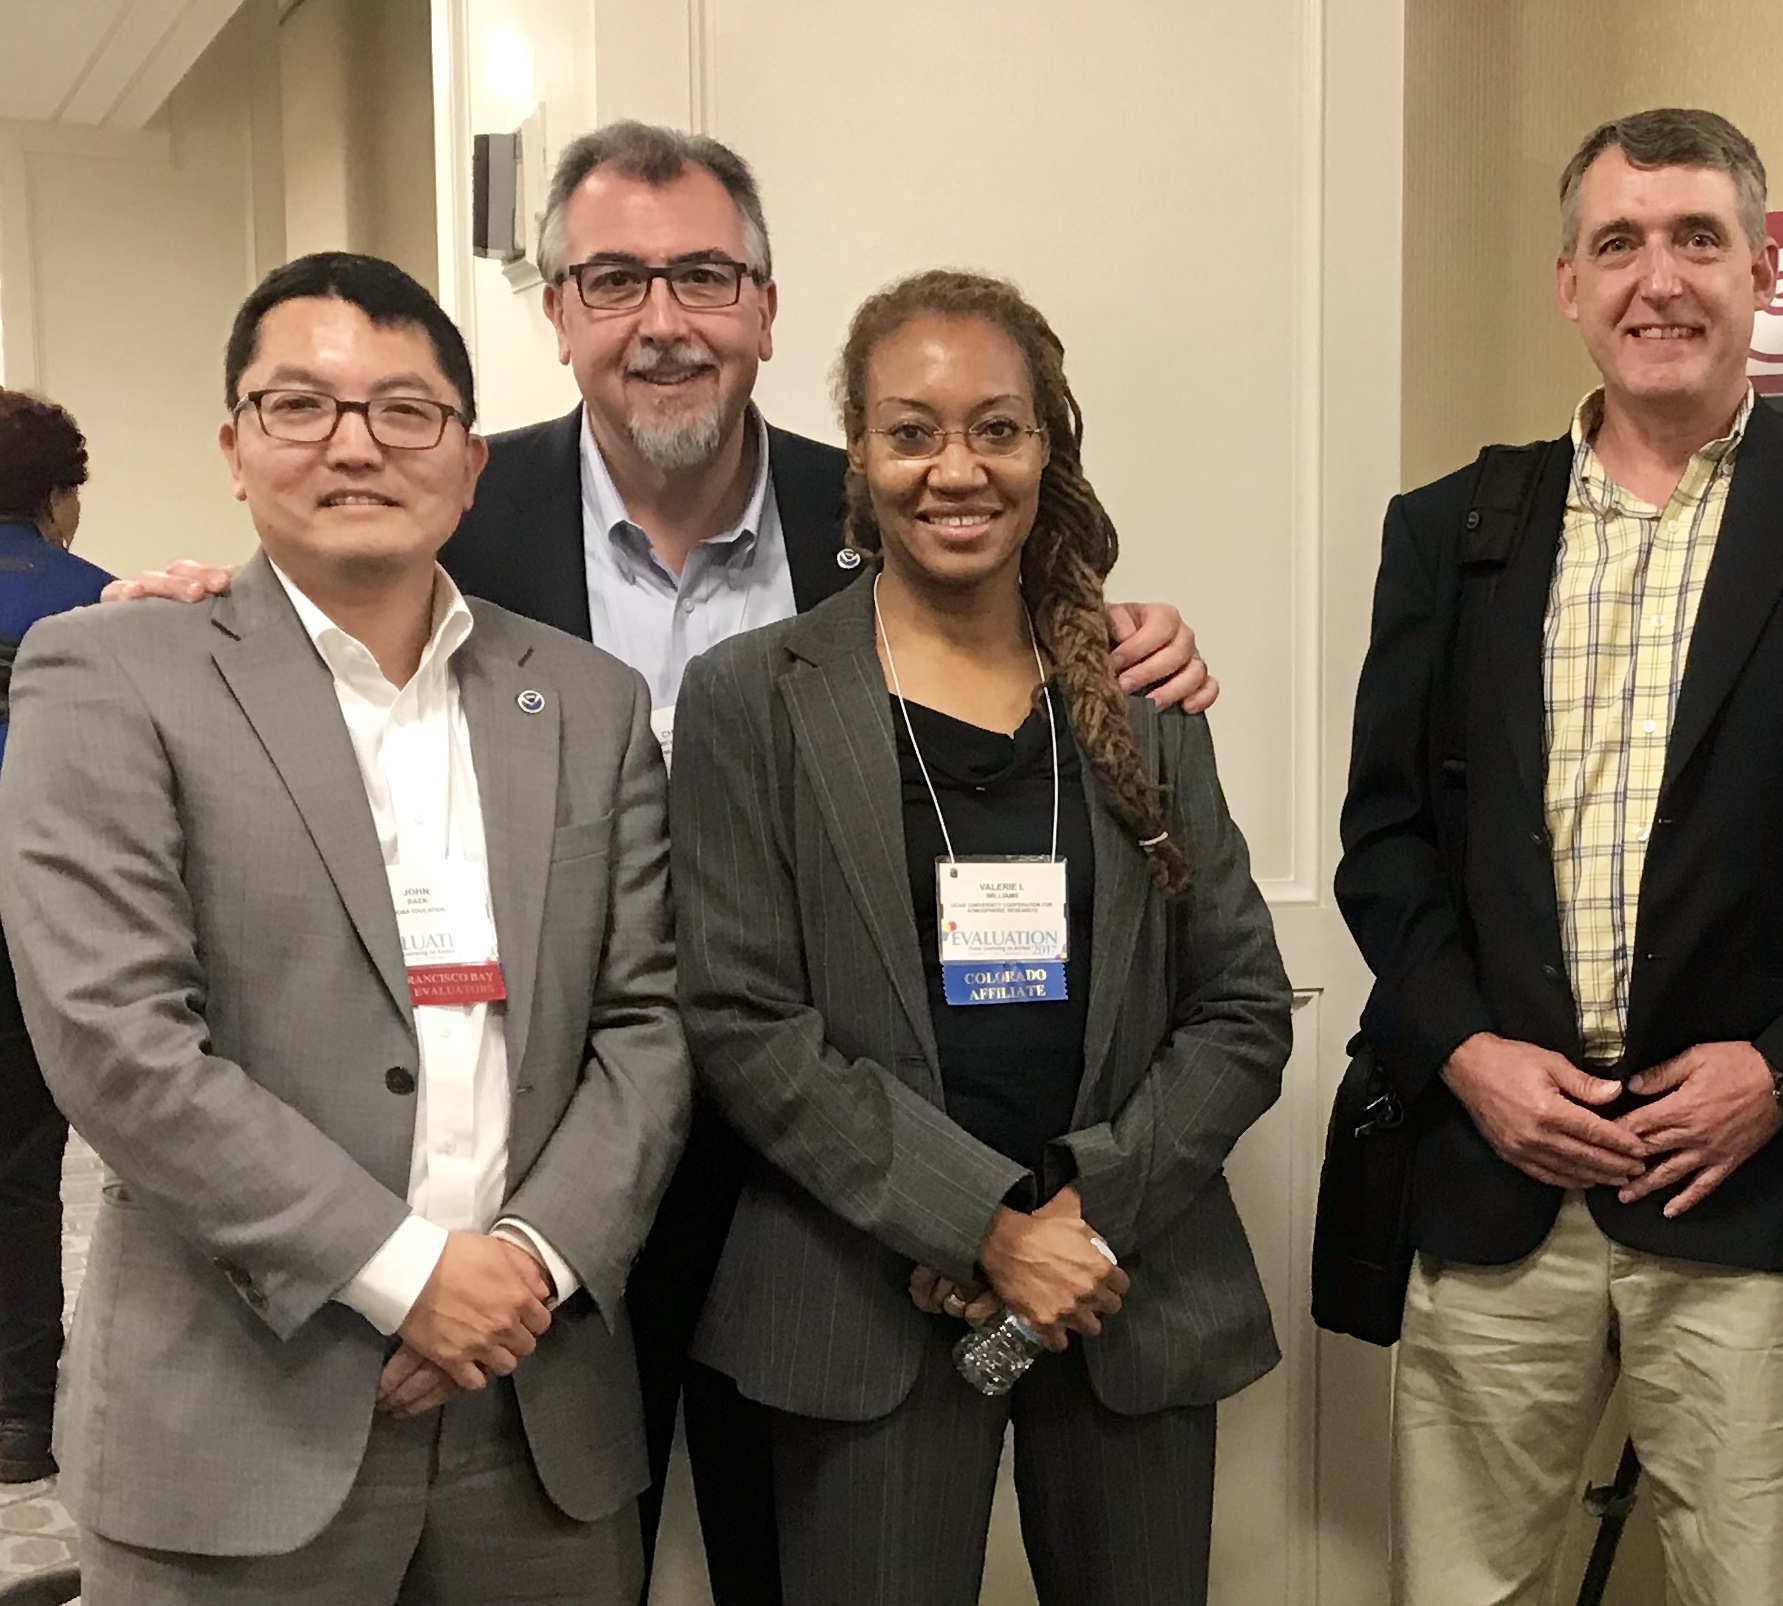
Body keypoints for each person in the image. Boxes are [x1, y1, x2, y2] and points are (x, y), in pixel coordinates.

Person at [101, 119, 1218, 1604]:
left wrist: (1136, 633)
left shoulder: (885, 489)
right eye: (613, 278)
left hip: (833, 1183)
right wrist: (205, 588)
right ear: (556, 312)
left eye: (702, 275)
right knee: (567, 1546)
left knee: (793, 1558)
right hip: (557, 1154)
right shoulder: (451, 497)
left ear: (763, 307)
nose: (661, 320)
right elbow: (311, 613)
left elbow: (1030, 625)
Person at [1337, 107, 1783, 1605]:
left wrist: (1779, 1072)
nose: (1660, 277)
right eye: (1620, 241)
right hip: (1500, 1176)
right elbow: (1383, 840)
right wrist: (1466, 1054)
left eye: (1698, 238)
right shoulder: (1452, 530)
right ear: (1565, 282)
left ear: (1763, 274)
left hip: (1757, 1195)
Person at [0, 251, 685, 1601]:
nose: (356, 444)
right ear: (237, 449)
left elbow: (646, 1026)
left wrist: (524, 1270)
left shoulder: (590, 704)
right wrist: (405, 1273)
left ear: (470, 459)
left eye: (404, 410)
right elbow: (116, 1037)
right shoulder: (109, 668)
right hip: (240, 1421)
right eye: (300, 406)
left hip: (536, 1424)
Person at [671, 268, 1290, 1605]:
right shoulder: (751, 702)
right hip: (859, 1297)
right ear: (859, 453)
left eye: (996, 428)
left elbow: (1240, 1004)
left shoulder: (1140, 688)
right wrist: (986, 1224)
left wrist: (1083, 1215)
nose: (956, 467)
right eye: (912, 430)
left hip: (1126, 1283)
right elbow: (738, 1019)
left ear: (1047, 445)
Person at [0, 388, 109, 1488]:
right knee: (27, 1167)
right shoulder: (108, 608)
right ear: (56, 497)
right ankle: (21, 1417)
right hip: (45, 922)